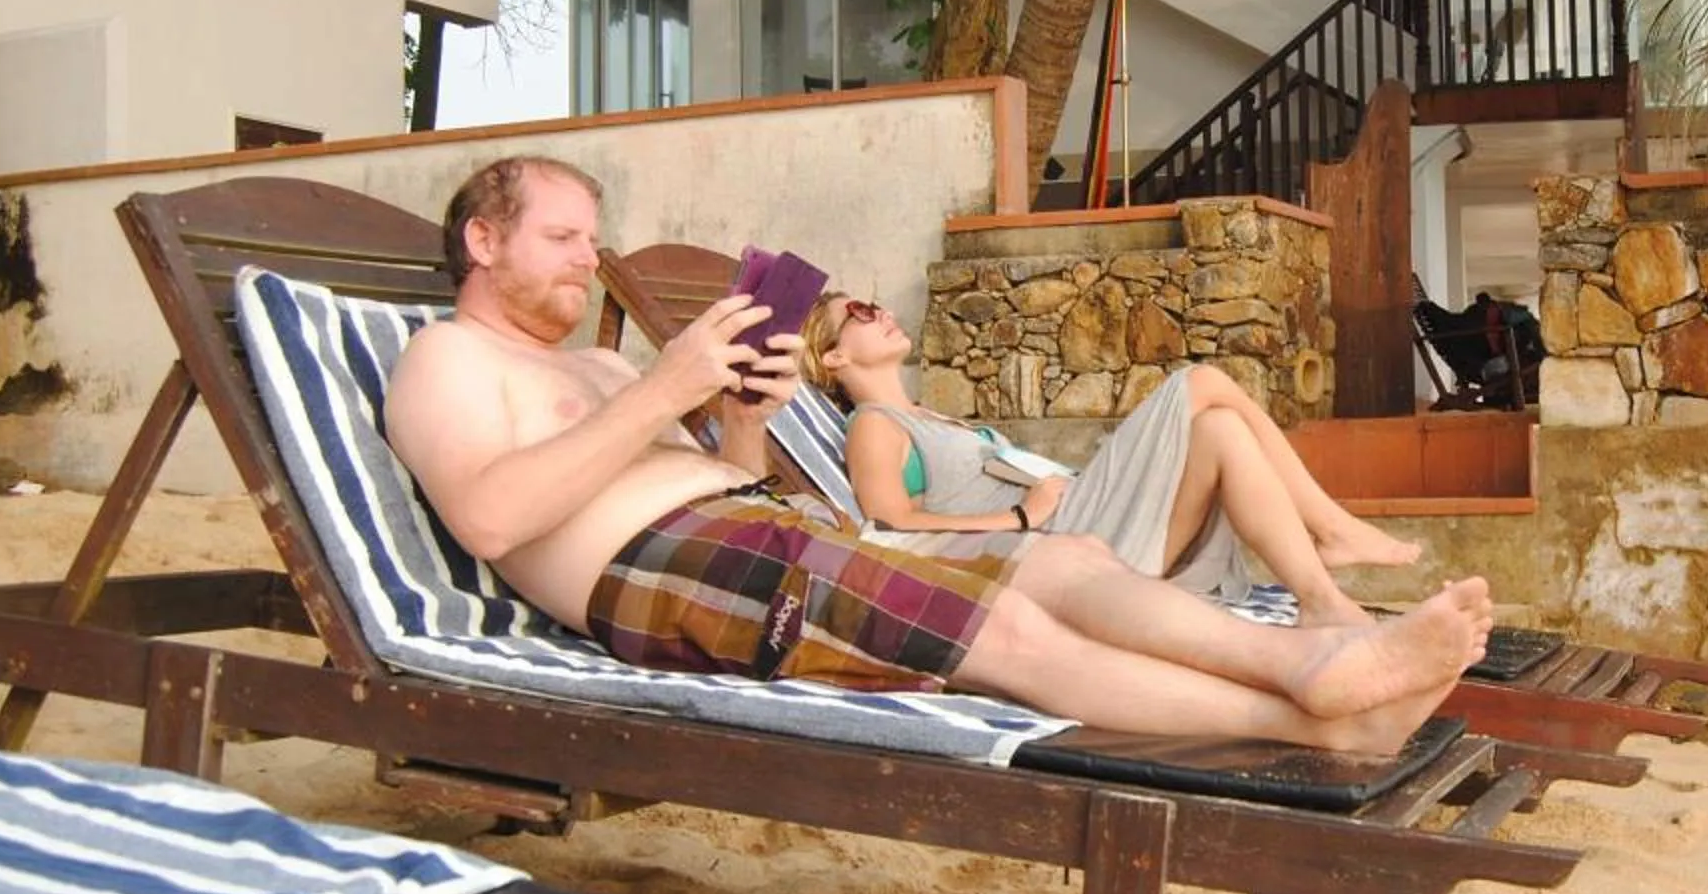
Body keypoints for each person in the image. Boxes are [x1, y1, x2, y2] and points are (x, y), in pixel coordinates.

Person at [382, 156, 1489, 756]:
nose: (589, 256)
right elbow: (489, 516)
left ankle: (1328, 677)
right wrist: (666, 388)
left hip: (755, 533)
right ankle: (1309, 696)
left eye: (590, 233)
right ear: (483, 242)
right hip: (655, 568)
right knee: (1000, 632)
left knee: (1064, 566)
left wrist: (741, 415)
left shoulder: (608, 373)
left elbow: (724, 471)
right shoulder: (446, 359)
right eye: (563, 237)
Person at [798, 290, 1419, 626]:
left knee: (1223, 429)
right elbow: (888, 525)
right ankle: (1330, 527)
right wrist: (1019, 518)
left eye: (876, 303)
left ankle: (1317, 597)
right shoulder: (874, 425)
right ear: (833, 359)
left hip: (1093, 525)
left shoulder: (932, 415)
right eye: (857, 312)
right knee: (1199, 383)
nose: (879, 312)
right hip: (1066, 542)